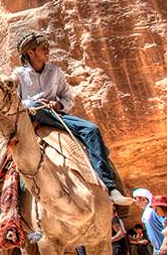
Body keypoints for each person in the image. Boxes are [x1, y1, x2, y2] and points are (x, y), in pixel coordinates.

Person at [13, 33, 130, 206]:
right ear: (30, 52)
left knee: (91, 129)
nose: (47, 50)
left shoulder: (55, 72)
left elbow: (67, 98)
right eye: (42, 48)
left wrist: (57, 105)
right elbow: (14, 102)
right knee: (33, 105)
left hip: (55, 115)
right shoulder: (18, 75)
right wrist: (31, 105)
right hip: (32, 118)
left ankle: (111, 188)